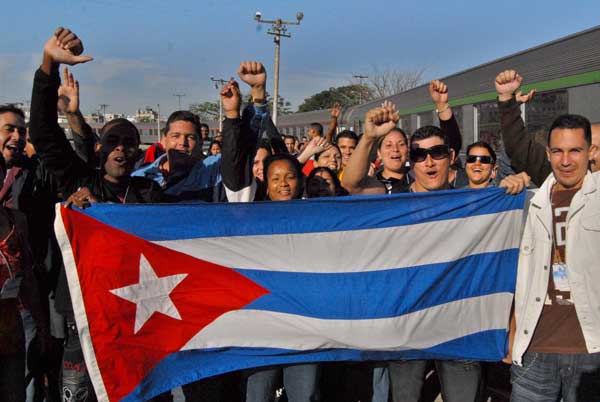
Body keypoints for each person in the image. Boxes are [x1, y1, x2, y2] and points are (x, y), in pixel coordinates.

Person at [505, 113, 600, 402]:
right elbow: (514, 273)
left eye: (575, 151)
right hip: (534, 347)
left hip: (592, 351)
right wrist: (511, 333)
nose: (566, 161)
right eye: (558, 151)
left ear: (591, 152)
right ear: (548, 154)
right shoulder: (527, 202)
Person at [342, 80, 462, 195]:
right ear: (412, 160)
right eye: (419, 155)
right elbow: (351, 185)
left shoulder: (468, 200)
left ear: (451, 157)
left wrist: (442, 105)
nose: (429, 162)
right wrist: (369, 137)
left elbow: (453, 142)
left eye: (438, 153)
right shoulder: (394, 195)